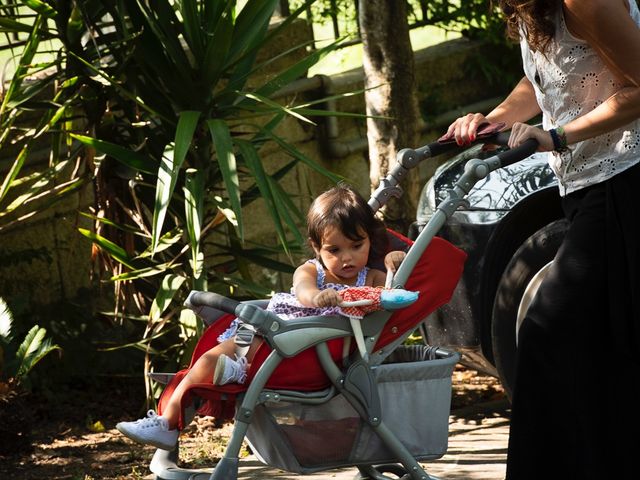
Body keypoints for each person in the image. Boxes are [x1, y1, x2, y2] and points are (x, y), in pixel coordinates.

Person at [445, 1, 640, 478]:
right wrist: (495, 119)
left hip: (627, 180)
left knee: (546, 334)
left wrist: (556, 137)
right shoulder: (533, 8)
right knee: (599, 352)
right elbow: (546, 78)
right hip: (585, 186)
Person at [116, 183, 406, 451]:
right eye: (334, 250)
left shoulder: (372, 276)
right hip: (267, 333)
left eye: (357, 246)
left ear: (370, 240)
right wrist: (317, 297)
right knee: (207, 361)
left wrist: (395, 261)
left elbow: (389, 291)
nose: (347, 258)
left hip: (303, 351)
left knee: (215, 362)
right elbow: (304, 292)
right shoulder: (310, 272)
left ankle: (231, 377)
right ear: (316, 247)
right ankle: (169, 421)